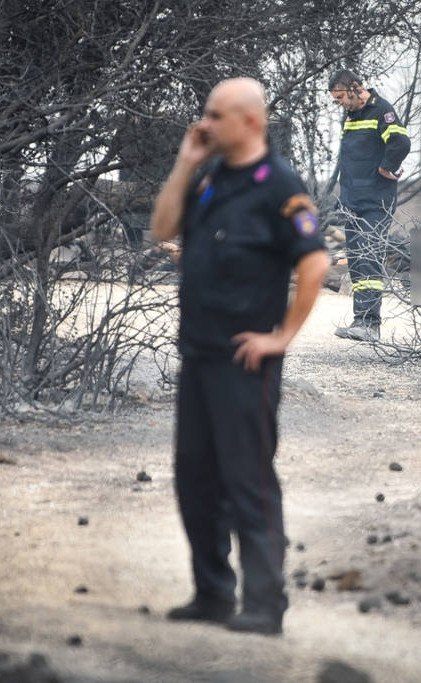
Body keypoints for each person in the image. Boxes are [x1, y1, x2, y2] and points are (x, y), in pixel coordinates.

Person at [150, 77, 328, 635]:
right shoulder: (209, 181)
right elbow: (161, 229)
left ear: (250, 121)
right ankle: (212, 595)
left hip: (246, 363)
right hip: (199, 355)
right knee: (195, 480)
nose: (204, 124)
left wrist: (282, 336)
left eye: (216, 116)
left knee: (247, 482)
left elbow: (315, 261)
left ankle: (265, 605)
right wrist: (185, 163)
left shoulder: (279, 184)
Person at [328, 69, 410, 342]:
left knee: (369, 258)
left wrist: (388, 168)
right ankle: (360, 322)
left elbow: (400, 142)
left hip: (375, 202)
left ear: (354, 87)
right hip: (352, 202)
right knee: (357, 263)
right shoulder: (352, 115)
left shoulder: (381, 110)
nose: (339, 102)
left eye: (340, 97)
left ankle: (370, 325)